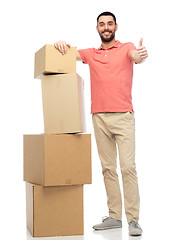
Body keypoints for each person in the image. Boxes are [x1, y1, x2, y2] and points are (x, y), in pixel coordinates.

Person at [54, 11, 148, 236]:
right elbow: (69, 53)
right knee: (108, 169)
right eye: (101, 24)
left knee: (127, 168)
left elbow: (136, 56)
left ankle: (133, 220)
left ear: (116, 26)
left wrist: (140, 54)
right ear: (97, 29)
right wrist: (60, 44)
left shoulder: (126, 47)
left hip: (123, 117)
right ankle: (114, 216)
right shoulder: (92, 53)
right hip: (99, 118)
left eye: (109, 24)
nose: (106, 27)